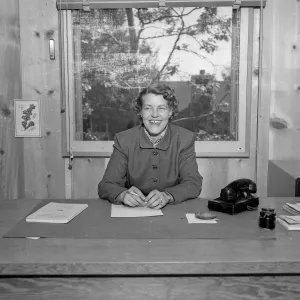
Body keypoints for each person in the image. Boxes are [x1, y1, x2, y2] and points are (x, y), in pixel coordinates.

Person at [98, 83, 203, 209]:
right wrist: (122, 195)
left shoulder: (185, 139)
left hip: (173, 211)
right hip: (133, 212)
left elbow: (193, 183)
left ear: (170, 112)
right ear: (140, 112)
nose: (154, 114)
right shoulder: (124, 140)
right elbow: (106, 185)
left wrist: (167, 196)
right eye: (148, 108)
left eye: (161, 108)